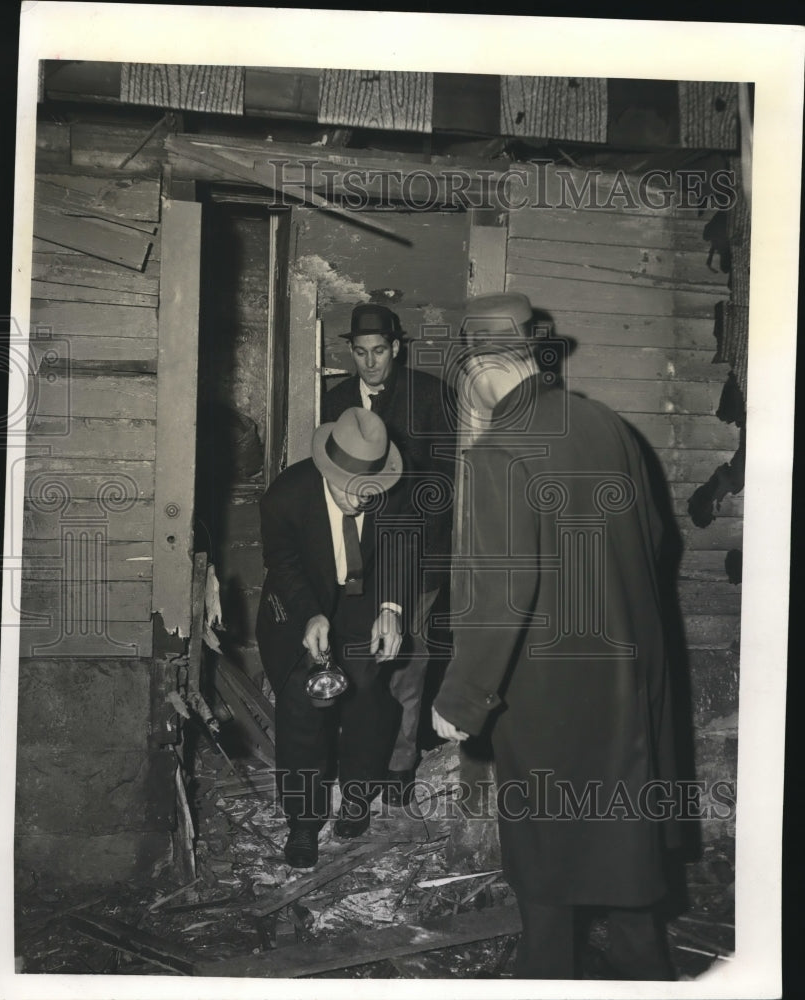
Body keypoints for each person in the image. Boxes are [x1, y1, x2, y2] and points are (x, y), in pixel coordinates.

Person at [432, 292, 678, 980]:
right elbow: (656, 543)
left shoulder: (498, 452)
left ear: (478, 366)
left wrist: (462, 697)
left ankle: (545, 976)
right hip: (629, 670)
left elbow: (500, 592)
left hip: (546, 686)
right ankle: (649, 972)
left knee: (545, 847)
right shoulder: (607, 426)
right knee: (623, 826)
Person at [256, 407, 407, 868]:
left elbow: (402, 549)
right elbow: (283, 567)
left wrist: (391, 608)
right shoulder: (286, 496)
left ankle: (358, 798)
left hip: (366, 600)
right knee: (305, 706)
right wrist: (310, 617)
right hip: (303, 599)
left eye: (368, 491)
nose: (359, 501)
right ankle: (304, 820)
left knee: (367, 698)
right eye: (347, 488)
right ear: (326, 469)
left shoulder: (393, 493)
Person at [323, 303, 454, 804]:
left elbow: (447, 482)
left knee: (406, 663)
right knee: (356, 659)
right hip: (356, 558)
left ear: (396, 348)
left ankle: (399, 766)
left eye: (379, 351)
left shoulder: (429, 395)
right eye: (360, 352)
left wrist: (409, 517)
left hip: (418, 555)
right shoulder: (336, 401)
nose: (370, 362)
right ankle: (358, 761)